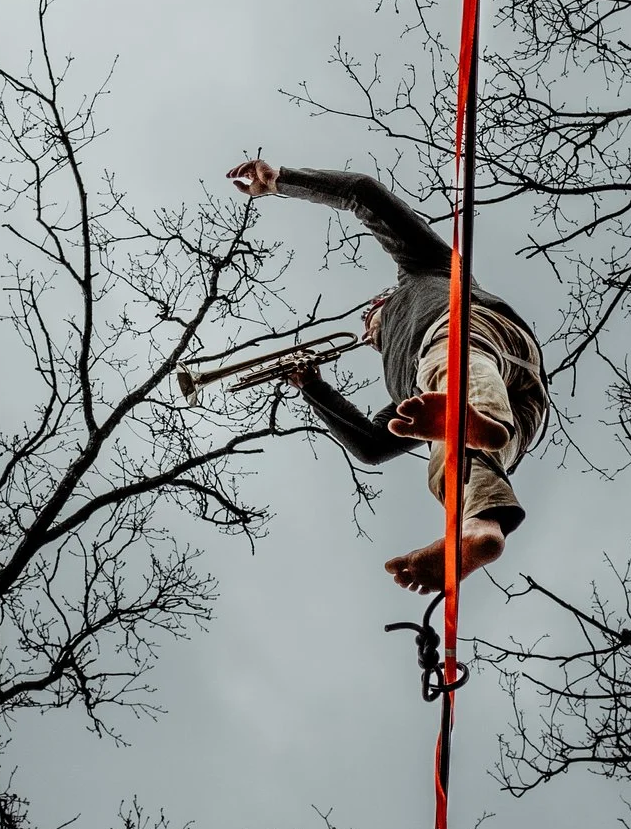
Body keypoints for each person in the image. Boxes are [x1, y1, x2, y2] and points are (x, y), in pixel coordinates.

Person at [227, 159, 549, 593]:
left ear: (382, 300)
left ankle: (470, 422)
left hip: (469, 327)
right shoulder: (410, 396)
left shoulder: (422, 269)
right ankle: (479, 525)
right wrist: (313, 388)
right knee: (455, 445)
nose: (367, 331)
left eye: (369, 318)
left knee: (448, 374)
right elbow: (371, 447)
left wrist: (281, 181)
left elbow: (363, 192)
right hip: (523, 401)